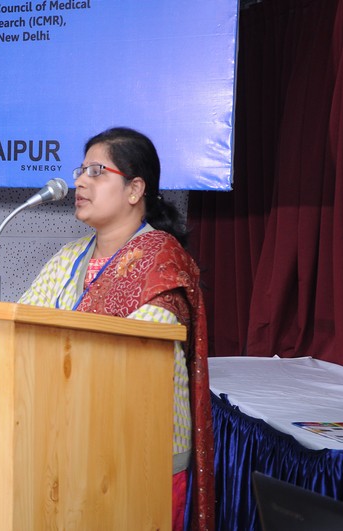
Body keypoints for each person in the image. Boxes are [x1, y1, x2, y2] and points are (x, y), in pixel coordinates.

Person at [18, 127, 215, 531]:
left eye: (96, 172)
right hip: (67, 450)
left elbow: (136, 356)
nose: (79, 182)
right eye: (81, 171)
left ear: (134, 189)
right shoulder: (69, 257)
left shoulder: (162, 261)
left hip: (138, 460)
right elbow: (21, 328)